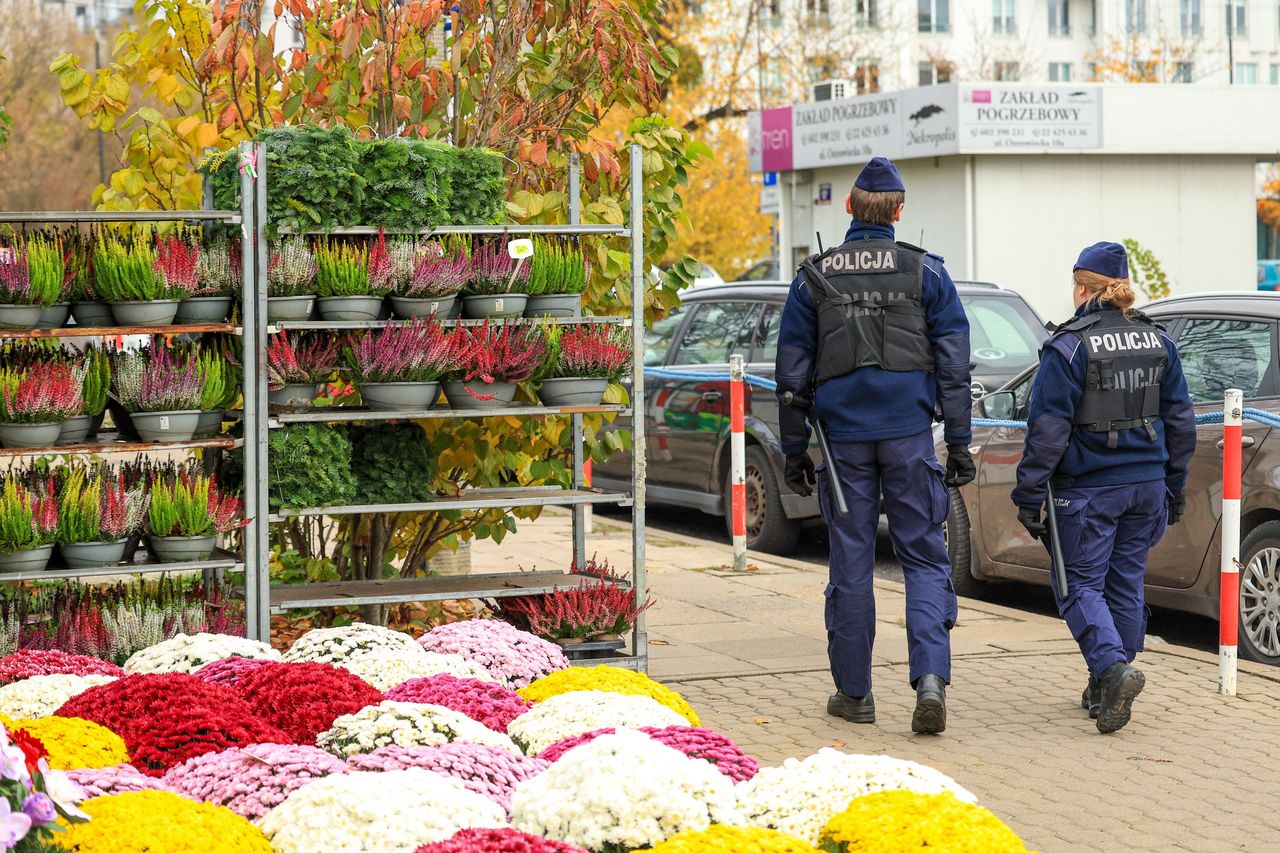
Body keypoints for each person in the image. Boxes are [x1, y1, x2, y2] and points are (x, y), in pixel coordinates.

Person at [775, 156, 975, 734]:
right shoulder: (927, 274)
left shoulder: (814, 276)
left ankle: (855, 694)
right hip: (910, 439)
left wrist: (794, 452)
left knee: (852, 564)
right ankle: (931, 680)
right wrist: (958, 443)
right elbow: (954, 365)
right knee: (923, 557)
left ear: (848, 207)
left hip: (843, 449)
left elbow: (791, 377)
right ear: (899, 212)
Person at [1011, 242, 1195, 734]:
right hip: (1147, 486)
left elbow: (1046, 431)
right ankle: (1106, 682)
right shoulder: (1158, 341)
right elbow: (1181, 420)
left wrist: (1028, 496)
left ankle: (1113, 670)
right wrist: (1174, 485)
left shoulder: (1069, 346)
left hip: (1088, 491)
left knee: (1078, 585)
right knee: (1125, 585)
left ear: (1082, 288)